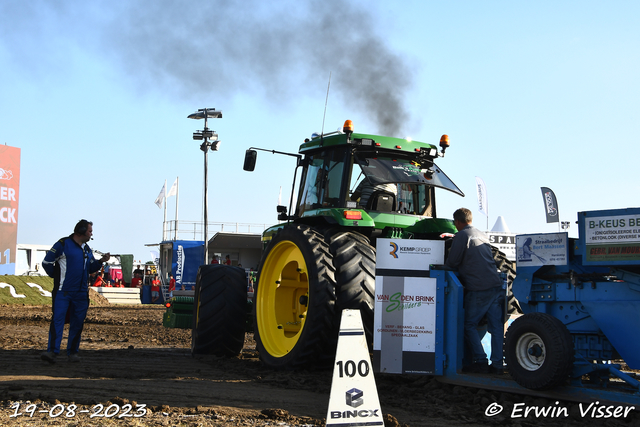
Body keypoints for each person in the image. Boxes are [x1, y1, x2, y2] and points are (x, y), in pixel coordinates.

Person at [444, 208, 504, 374]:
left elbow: (453, 261)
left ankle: (480, 361)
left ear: (457, 222)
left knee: (468, 325)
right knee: (496, 327)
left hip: (479, 288)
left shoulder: (462, 236)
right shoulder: (481, 234)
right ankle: (498, 365)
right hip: (495, 285)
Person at [40, 219, 110, 363]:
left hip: (81, 293)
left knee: (77, 322)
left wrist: (101, 261)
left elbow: (91, 268)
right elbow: (46, 263)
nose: (91, 234)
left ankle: (72, 353)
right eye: (90, 231)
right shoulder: (62, 244)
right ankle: (52, 352)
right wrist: (56, 276)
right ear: (81, 231)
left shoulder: (86, 249)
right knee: (58, 320)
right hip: (63, 292)